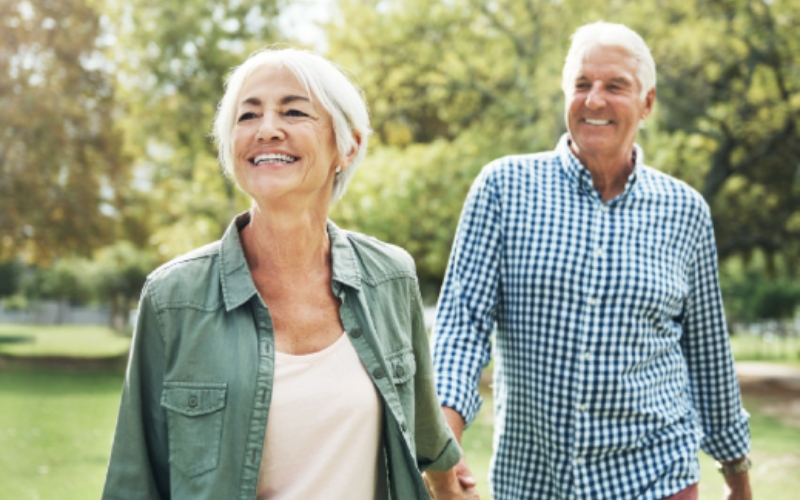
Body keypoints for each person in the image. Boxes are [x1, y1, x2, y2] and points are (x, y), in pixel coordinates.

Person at [102, 47, 476, 500]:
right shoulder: (172, 298)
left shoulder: (391, 277)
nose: (267, 130)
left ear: (348, 144)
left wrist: (450, 486)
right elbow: (134, 479)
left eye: (294, 111)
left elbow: (421, 424)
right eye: (248, 116)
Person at [430, 22, 752, 500]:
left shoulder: (685, 211)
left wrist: (738, 479)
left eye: (615, 86)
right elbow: (462, 327)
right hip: (534, 481)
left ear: (647, 103)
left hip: (657, 476)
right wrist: (442, 452)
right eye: (582, 84)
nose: (594, 100)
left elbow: (707, 355)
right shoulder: (503, 188)